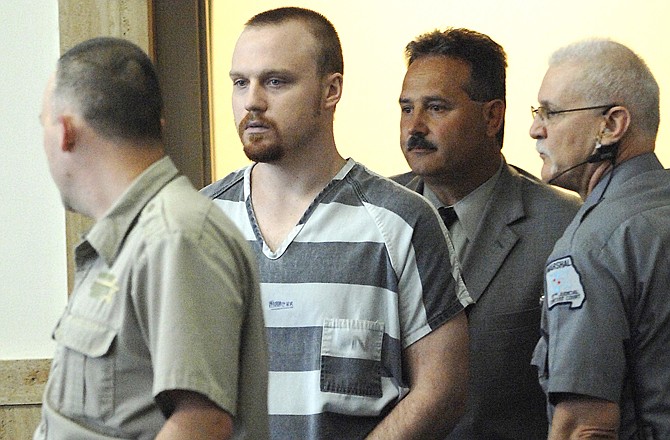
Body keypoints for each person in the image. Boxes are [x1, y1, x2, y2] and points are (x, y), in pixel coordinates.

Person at [202, 7, 470, 439]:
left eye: (275, 81)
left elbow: (442, 390)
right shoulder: (198, 226)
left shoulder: (402, 223)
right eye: (239, 82)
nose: (251, 100)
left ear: (331, 90)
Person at [35, 37, 269, 439]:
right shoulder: (128, 240)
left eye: (42, 123)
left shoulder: (176, 237)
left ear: (65, 132)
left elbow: (201, 424)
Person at [393, 28, 581, 439]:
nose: (415, 127)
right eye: (407, 109)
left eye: (437, 108)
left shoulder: (563, 224)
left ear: (492, 116)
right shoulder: (372, 213)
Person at [530, 38, 670, 439]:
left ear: (611, 125)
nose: (535, 128)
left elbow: (585, 427)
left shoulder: (592, 246)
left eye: (551, 113)